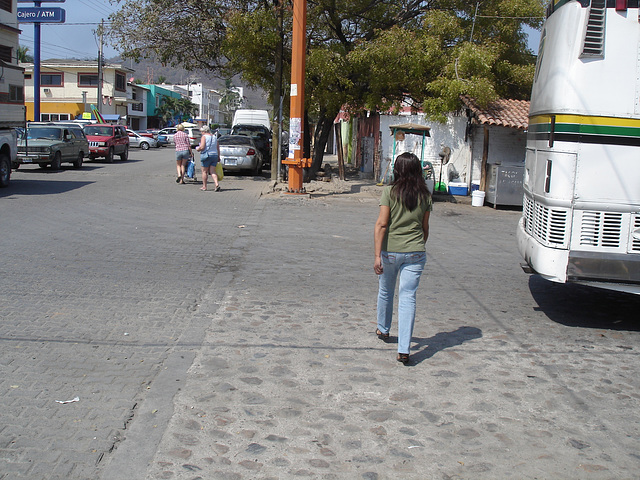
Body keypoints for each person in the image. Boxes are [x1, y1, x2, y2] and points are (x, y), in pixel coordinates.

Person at [374, 152, 432, 365]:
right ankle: (404, 349)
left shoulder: (389, 192)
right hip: (416, 252)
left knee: (385, 291)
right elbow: (425, 229)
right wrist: (417, 247)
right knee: (408, 298)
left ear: (397, 169)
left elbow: (381, 224)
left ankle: (383, 329)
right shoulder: (425, 195)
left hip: (390, 251)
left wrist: (377, 255)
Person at [195, 125, 220, 191]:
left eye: (202, 131)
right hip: (214, 155)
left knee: (204, 171)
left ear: (204, 131)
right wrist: (218, 156)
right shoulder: (214, 137)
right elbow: (217, 148)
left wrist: (198, 149)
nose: (201, 133)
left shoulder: (204, 137)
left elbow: (202, 147)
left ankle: (204, 186)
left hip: (206, 155)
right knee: (213, 171)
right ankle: (216, 184)